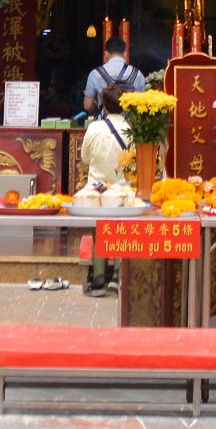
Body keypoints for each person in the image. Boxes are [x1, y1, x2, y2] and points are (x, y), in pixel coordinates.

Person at [78, 98, 132, 297]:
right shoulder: (130, 128)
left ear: (105, 106)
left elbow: (84, 158)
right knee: (121, 230)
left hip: (97, 188)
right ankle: (117, 275)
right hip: (121, 188)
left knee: (99, 231)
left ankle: (99, 278)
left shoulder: (94, 128)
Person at [83, 38, 145, 115]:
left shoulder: (95, 74)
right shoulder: (137, 74)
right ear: (125, 53)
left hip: (105, 124)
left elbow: (87, 106)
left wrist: (98, 106)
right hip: (130, 124)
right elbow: (142, 104)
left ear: (106, 53)